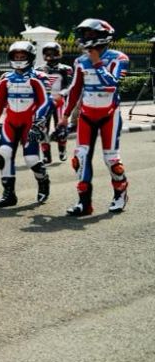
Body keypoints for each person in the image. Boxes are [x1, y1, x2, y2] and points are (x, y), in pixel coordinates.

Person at [58, 19, 130, 216]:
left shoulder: (119, 58)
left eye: (91, 34)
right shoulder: (80, 61)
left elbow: (111, 85)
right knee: (80, 158)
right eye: (85, 34)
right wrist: (64, 116)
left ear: (103, 36)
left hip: (109, 114)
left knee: (112, 160)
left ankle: (120, 192)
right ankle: (84, 202)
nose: (87, 37)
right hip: (86, 114)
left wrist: (97, 61)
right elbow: (75, 90)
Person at [0, 42, 51, 207]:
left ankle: (43, 181)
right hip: (10, 122)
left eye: (22, 57)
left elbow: (45, 101)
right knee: (4, 154)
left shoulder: (39, 77)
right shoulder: (5, 78)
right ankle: (9, 194)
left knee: (31, 160)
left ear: (30, 58)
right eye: (16, 57)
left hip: (30, 124)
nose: (19, 59)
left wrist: (39, 121)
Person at [39, 42, 74, 164]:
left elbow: (70, 85)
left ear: (58, 54)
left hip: (59, 101)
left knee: (61, 129)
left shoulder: (66, 69)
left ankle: (62, 150)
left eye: (53, 53)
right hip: (44, 103)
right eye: (47, 53)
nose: (50, 56)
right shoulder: (39, 69)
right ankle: (46, 155)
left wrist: (62, 94)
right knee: (42, 129)